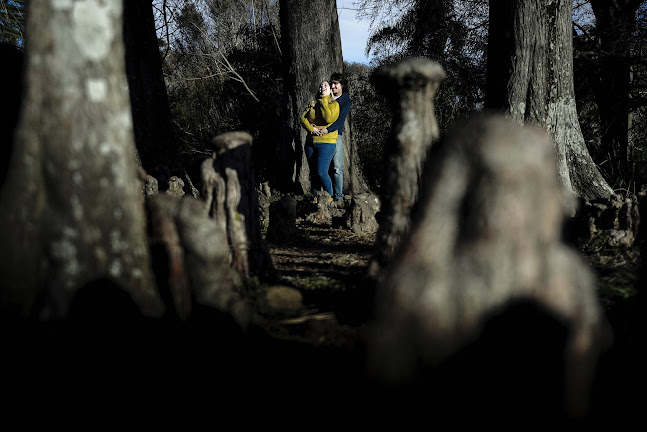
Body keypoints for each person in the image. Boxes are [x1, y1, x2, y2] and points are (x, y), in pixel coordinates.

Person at [301, 80, 340, 203]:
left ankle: (329, 199)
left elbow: (328, 118)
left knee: (321, 171)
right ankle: (316, 199)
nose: (322, 87)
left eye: (325, 85)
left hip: (327, 143)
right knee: (313, 173)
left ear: (330, 90)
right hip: (310, 142)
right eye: (321, 86)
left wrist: (324, 100)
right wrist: (311, 128)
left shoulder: (334, 104)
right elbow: (303, 118)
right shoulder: (313, 103)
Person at [315, 72, 351, 205]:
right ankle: (322, 195)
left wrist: (327, 129)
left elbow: (340, 120)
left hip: (337, 136)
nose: (333, 86)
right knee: (322, 168)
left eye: (336, 84)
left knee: (336, 167)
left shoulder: (345, 100)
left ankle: (339, 197)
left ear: (342, 85)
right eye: (332, 84)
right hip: (322, 138)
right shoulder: (326, 97)